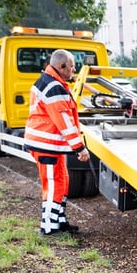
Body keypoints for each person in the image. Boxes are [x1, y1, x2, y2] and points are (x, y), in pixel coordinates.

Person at [23, 49, 90, 235]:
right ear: (61, 66)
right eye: (72, 67)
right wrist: (79, 147)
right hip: (46, 144)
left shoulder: (49, 81)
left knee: (61, 181)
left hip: (48, 143)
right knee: (53, 184)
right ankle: (50, 228)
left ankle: (59, 222)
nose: (73, 71)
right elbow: (65, 122)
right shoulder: (54, 88)